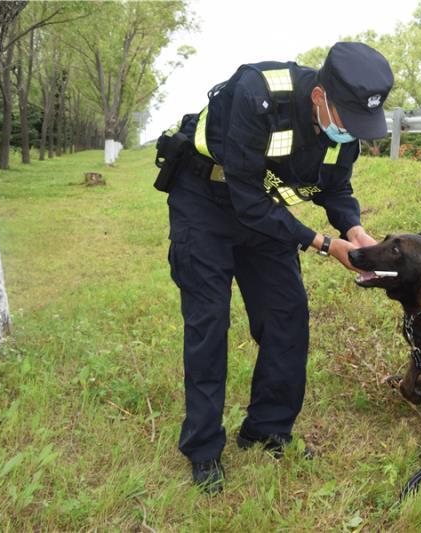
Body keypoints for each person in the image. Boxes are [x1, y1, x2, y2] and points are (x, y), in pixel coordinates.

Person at [155, 42, 394, 494]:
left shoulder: (345, 133)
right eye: (347, 120)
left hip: (266, 217)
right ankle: (204, 449)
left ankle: (266, 429)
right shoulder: (258, 92)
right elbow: (246, 197)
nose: (351, 133)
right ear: (320, 96)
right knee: (209, 323)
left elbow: (335, 188)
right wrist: (324, 244)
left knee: (287, 316)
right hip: (205, 202)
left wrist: (355, 230)